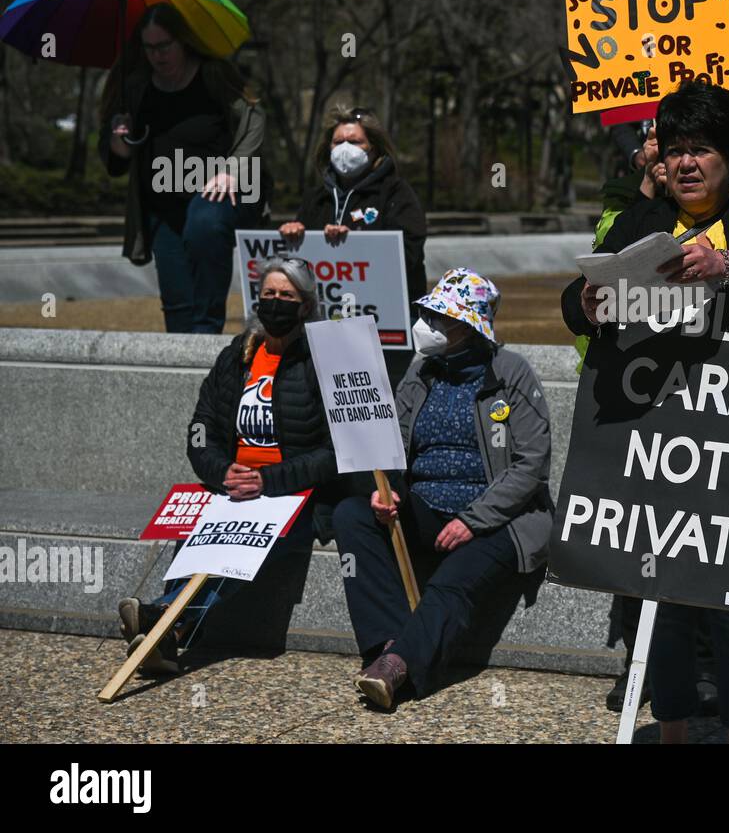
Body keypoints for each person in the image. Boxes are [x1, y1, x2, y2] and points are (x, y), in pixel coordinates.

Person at [561, 80, 729, 743]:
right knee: (665, 602)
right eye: (674, 150)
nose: (684, 163)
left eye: (700, 149)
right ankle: (672, 729)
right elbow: (577, 298)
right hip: (653, 449)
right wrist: (586, 305)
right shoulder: (642, 225)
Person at [332, 268, 553, 709]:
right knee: (350, 515)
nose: (427, 326)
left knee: (453, 581)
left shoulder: (511, 372)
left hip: (500, 519)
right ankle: (387, 647)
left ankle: (398, 670)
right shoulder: (421, 373)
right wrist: (388, 489)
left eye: (439, 317)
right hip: (427, 505)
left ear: (469, 326)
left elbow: (532, 465)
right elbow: (390, 441)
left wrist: (473, 520)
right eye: (428, 314)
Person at [116, 256, 344, 672]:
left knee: (238, 549)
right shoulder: (235, 357)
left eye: (287, 296)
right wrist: (221, 471)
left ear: (307, 306)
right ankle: (169, 635)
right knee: (198, 534)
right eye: (269, 295)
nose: (276, 303)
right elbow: (200, 430)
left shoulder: (323, 362)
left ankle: (163, 619)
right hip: (232, 486)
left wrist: (267, 480)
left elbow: (337, 451)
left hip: (294, 496)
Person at [98, 1, 266, 334]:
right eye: (149, 47)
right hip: (163, 206)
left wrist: (233, 168)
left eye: (164, 46)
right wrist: (120, 143)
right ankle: (182, 374)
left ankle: (208, 349)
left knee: (203, 226)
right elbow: (116, 162)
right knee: (178, 308)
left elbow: (254, 118)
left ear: (183, 41)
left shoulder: (214, 75)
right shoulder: (135, 88)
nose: (157, 55)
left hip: (214, 195)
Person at [279, 104, 428, 389]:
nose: (345, 148)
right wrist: (295, 235)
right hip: (326, 328)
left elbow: (408, 252)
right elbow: (297, 267)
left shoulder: (396, 193)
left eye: (355, 141)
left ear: (374, 148)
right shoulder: (317, 198)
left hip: (386, 331)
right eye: (338, 142)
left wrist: (357, 242)